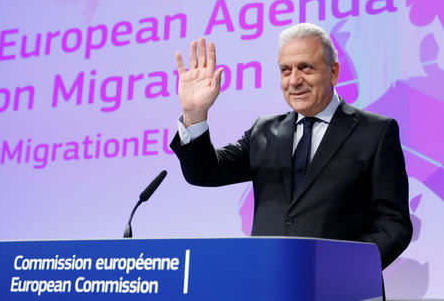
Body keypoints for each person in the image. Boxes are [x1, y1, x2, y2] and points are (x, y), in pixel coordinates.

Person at [170, 23, 412, 270]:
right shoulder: (263, 132)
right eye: (286, 70)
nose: (294, 80)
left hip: (341, 289)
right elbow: (204, 172)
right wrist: (195, 113)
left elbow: (394, 224)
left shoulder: (375, 132)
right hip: (269, 284)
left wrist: (345, 269)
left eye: (305, 67)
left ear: (334, 72)